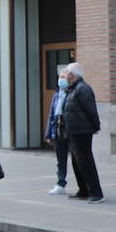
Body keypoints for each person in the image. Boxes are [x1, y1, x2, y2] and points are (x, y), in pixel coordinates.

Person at [61, 61, 103, 202]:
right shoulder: (73, 88)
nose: (65, 75)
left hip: (82, 131)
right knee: (76, 161)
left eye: (67, 72)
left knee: (85, 161)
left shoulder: (83, 88)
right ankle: (83, 190)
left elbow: (91, 110)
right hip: (74, 130)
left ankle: (96, 192)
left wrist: (95, 126)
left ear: (73, 75)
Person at [45, 66, 70, 195]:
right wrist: (49, 133)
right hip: (58, 130)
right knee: (60, 159)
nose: (61, 80)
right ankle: (61, 183)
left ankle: (84, 185)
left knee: (78, 160)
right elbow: (52, 114)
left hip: (70, 130)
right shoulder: (57, 94)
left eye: (64, 77)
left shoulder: (72, 93)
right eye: (60, 77)